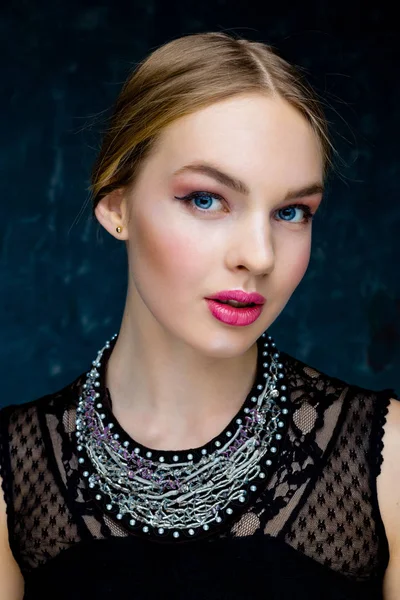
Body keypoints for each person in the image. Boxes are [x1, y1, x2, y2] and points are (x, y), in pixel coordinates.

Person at [0, 31, 399, 600]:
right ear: (117, 206)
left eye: (291, 211)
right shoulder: (10, 476)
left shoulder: (389, 466)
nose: (259, 255)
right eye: (207, 199)